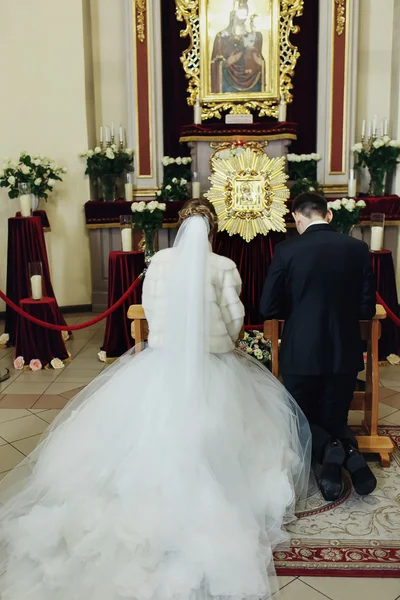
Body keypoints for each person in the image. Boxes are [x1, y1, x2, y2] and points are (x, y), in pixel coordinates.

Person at [0, 198, 311, 599]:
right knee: (241, 430)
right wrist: (224, 338)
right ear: (212, 230)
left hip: (161, 360)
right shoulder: (223, 267)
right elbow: (234, 318)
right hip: (212, 362)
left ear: (179, 227)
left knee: (142, 433)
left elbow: (148, 307)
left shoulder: (161, 261)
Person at [260, 192, 377, 502]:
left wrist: (297, 307)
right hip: (344, 350)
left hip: (301, 351)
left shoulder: (287, 250)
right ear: (329, 216)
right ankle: (349, 454)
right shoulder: (358, 249)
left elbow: (268, 306)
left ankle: (333, 451)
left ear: (298, 219)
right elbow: (366, 309)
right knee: (335, 415)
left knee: (298, 417)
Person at [211, 1, 265, 94]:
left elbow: (260, 64)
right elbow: (216, 65)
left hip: (253, 88)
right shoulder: (222, 38)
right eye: (240, 9)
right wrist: (229, 61)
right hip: (226, 87)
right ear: (233, 12)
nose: (244, 14)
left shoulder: (253, 38)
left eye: (245, 9)